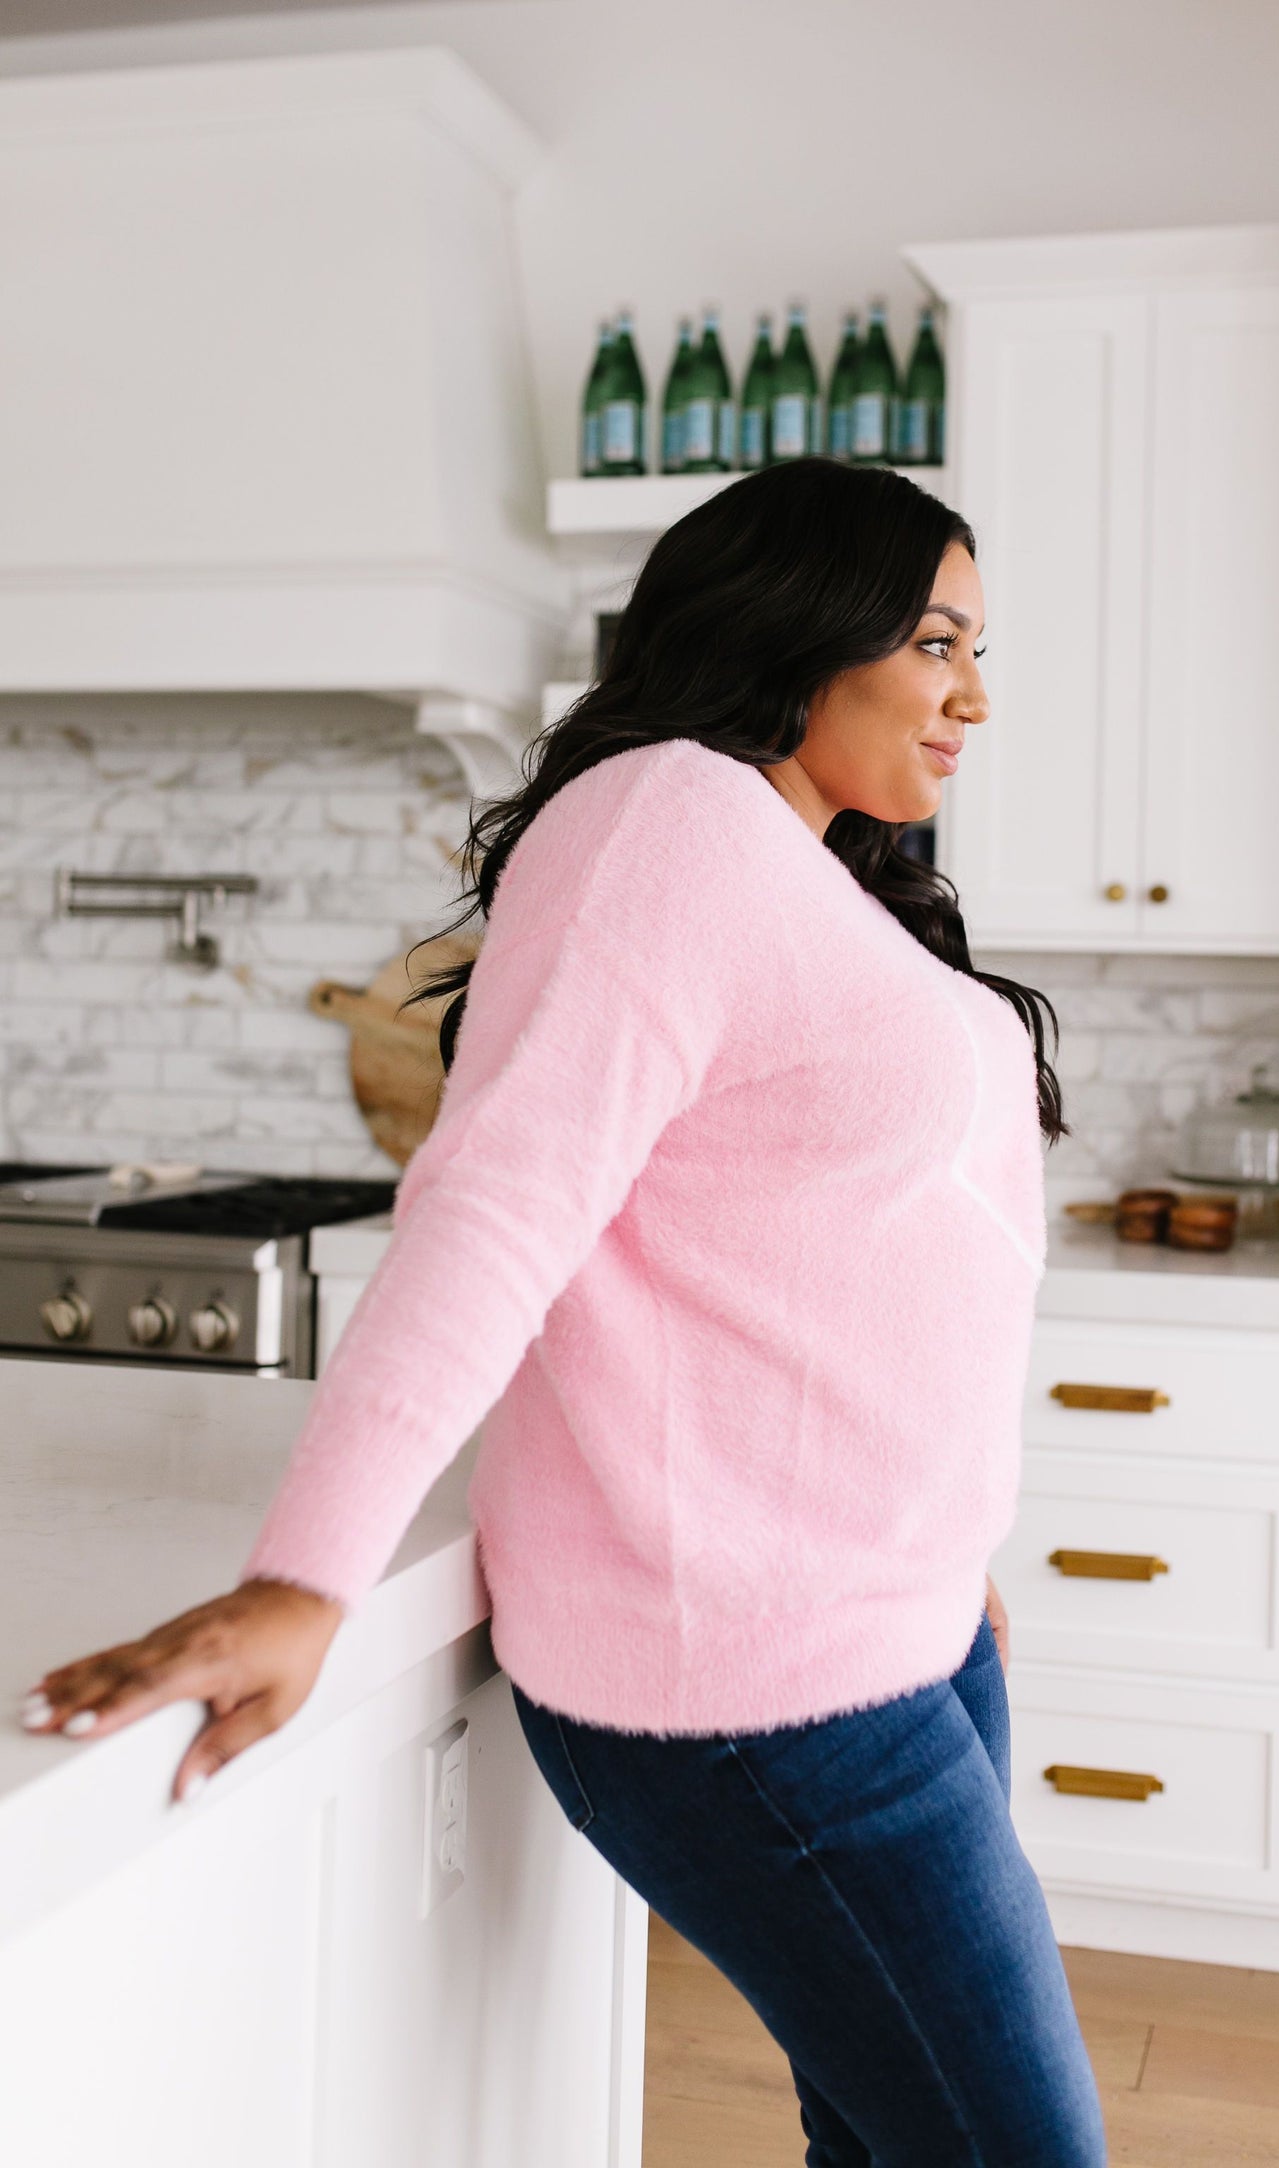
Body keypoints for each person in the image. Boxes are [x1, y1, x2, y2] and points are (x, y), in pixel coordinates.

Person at [18, 458, 1106, 2167]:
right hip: (765, 1686)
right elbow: (497, 1209)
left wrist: (934, 1543)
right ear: (799, 629)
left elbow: (848, 1251)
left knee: (890, 2139)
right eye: (932, 638)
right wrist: (301, 1578)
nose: (973, 693)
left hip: (901, 1633)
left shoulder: (805, 870)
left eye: (980, 647)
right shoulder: (663, 821)